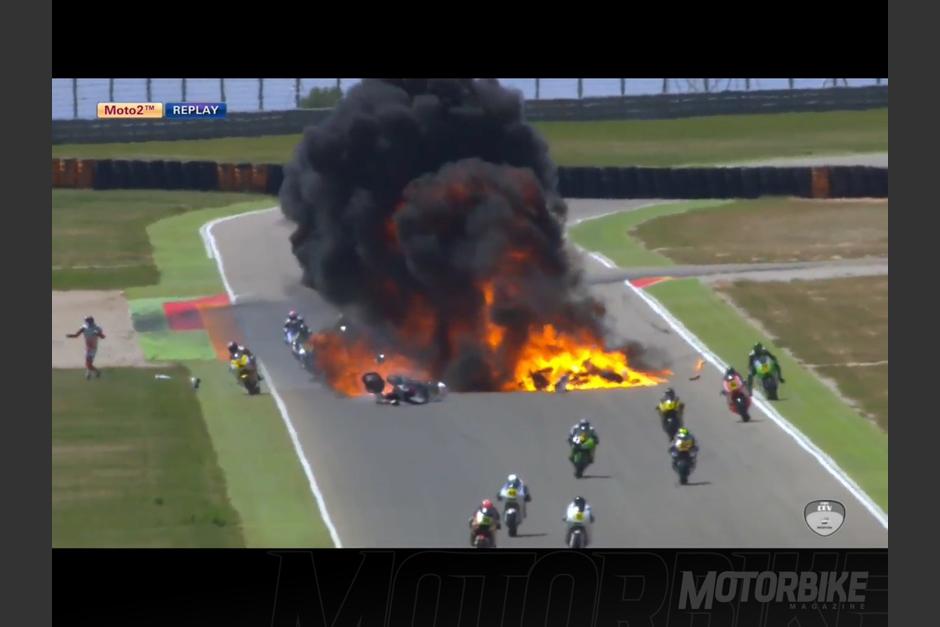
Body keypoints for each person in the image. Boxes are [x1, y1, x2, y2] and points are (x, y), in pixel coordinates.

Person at [66, 316, 105, 380]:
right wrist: (70, 336)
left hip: (93, 348)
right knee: (88, 363)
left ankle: (95, 372)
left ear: (90, 321)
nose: (86, 322)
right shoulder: (84, 328)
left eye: (87, 321)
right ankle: (90, 373)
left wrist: (98, 333)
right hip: (87, 348)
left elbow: (103, 337)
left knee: (88, 364)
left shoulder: (97, 328)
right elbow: (76, 335)